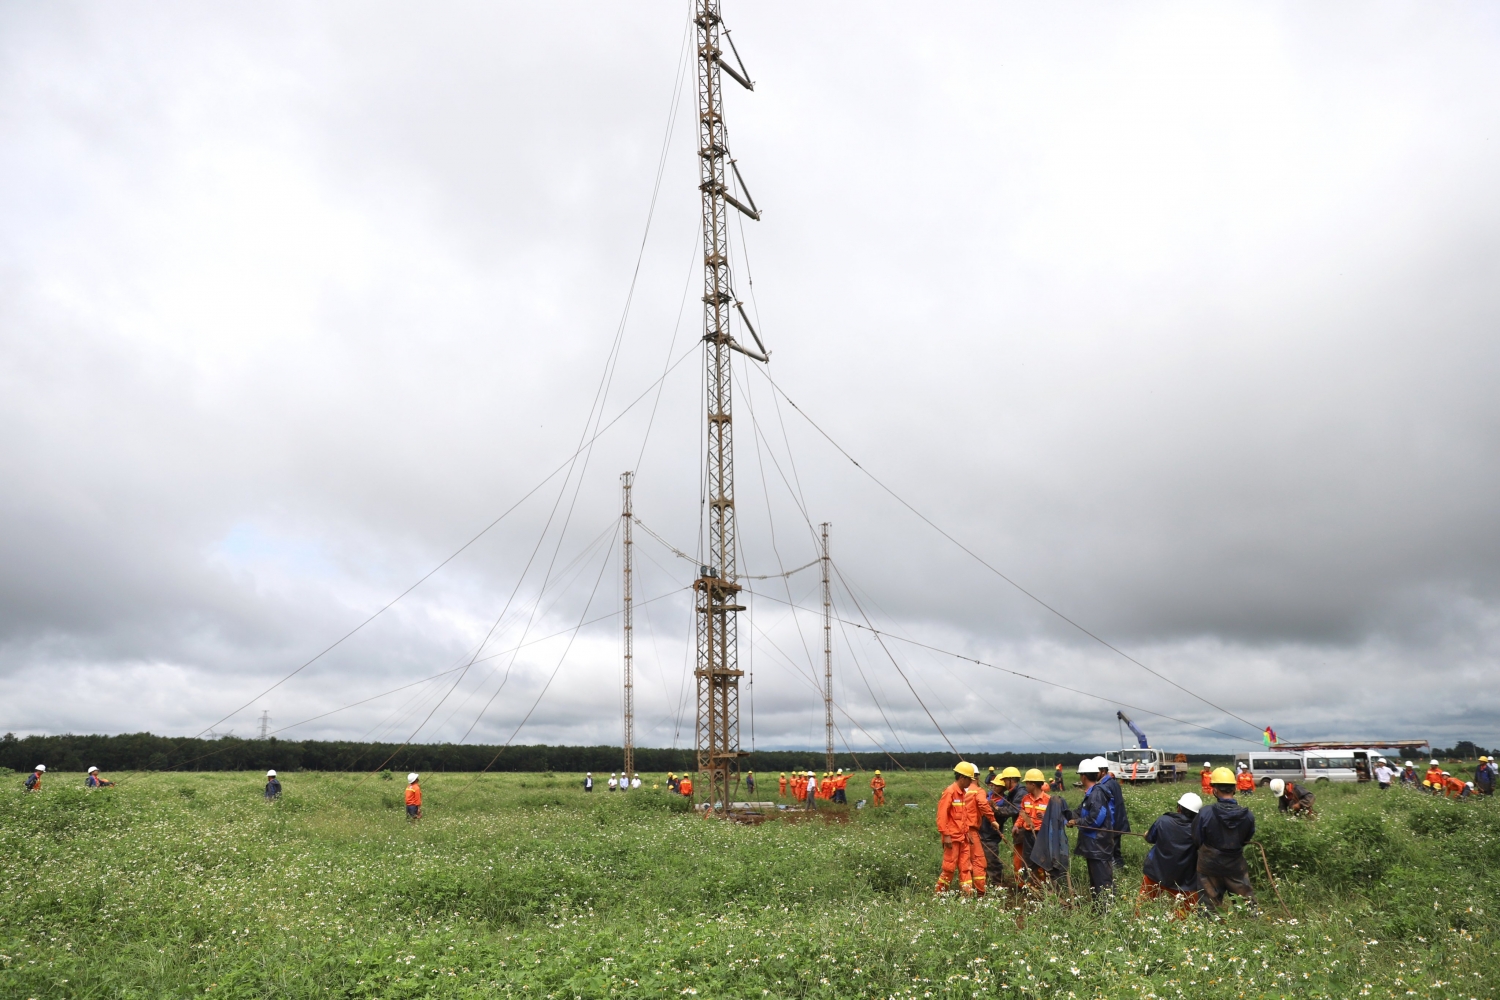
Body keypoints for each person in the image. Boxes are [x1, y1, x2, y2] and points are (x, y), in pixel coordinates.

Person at [1192, 767, 1256, 913]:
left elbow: (1197, 839)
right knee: (1246, 906)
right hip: (1235, 865)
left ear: (1214, 789)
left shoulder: (1204, 813)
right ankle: (1253, 930)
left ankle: (1209, 933)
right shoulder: (1248, 816)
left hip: (1209, 866)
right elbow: (1246, 839)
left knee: (1209, 909)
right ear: (1234, 788)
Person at [1138, 792, 1202, 918]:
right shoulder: (1198, 830)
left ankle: (1139, 922)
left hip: (1155, 872)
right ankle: (1178, 930)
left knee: (1144, 903)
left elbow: (1150, 838)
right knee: (1186, 911)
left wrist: (1147, 834)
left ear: (1179, 808)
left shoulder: (1163, 820)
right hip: (1184, 879)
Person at [1068, 758, 1116, 902]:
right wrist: (1065, 815)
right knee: (1096, 882)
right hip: (1093, 846)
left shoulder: (1097, 794)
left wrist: (1076, 822)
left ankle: (1106, 912)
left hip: (1098, 846)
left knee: (1102, 882)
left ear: (1083, 776)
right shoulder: (1091, 793)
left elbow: (1095, 820)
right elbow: (1078, 812)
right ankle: (1098, 909)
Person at [935, 762, 978, 895]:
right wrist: (946, 835)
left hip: (963, 837)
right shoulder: (950, 792)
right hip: (952, 838)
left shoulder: (961, 794)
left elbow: (962, 816)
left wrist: (967, 832)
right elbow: (942, 815)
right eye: (969, 779)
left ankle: (967, 895)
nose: (970, 782)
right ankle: (940, 895)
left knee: (965, 868)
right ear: (962, 778)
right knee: (949, 868)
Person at [962, 767, 999, 896]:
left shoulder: (957, 790)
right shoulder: (978, 791)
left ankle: (965, 893)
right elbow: (983, 805)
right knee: (979, 862)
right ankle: (980, 892)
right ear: (977, 777)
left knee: (963, 862)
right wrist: (992, 819)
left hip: (956, 832)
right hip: (971, 831)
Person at [1012, 768, 1052, 886]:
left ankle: (1047, 886)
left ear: (1033, 784)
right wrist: (1016, 825)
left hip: (1042, 835)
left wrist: (1045, 816)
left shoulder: (1048, 800)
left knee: (1044, 861)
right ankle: (1028, 886)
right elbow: (1022, 815)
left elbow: (1055, 819)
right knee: (1027, 862)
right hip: (1028, 835)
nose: (1025, 786)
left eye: (1027, 783)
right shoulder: (1026, 799)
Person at [1094, 758, 1130, 870]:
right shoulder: (1113, 783)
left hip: (1112, 824)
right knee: (1116, 850)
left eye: (1096, 772)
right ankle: (1121, 868)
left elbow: (1110, 809)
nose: (1093, 774)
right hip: (1118, 822)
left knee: (1110, 851)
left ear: (1103, 772)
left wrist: (1108, 827)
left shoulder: (1105, 786)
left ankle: (1115, 873)